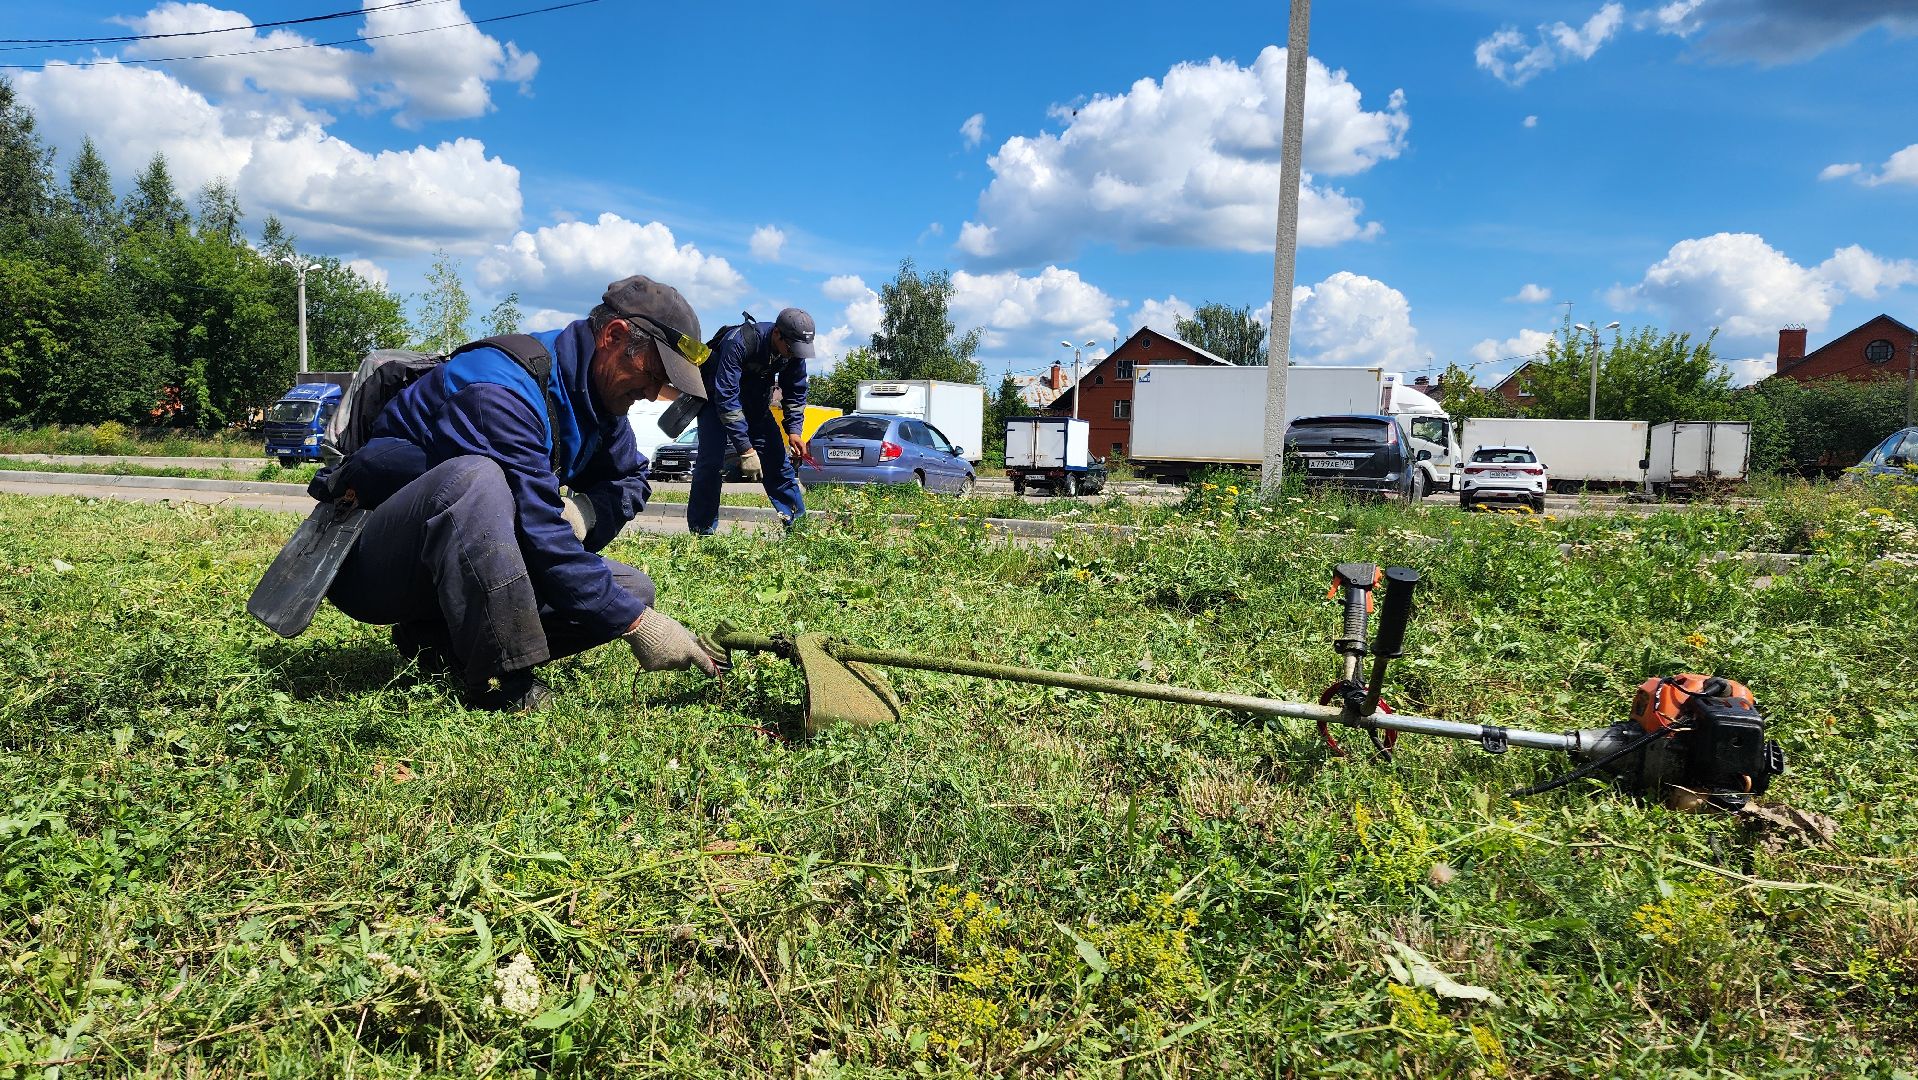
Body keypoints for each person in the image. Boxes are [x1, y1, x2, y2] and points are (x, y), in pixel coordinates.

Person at [314, 275, 725, 711]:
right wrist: (638, 625)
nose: (649, 395)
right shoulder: (498, 391)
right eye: (653, 376)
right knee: (476, 481)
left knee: (632, 588)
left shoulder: (594, 395)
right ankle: (498, 677)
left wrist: (583, 512)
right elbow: (539, 536)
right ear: (614, 335)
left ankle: (438, 645)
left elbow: (630, 479)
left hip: (455, 565)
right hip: (374, 564)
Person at [687, 307, 815, 534]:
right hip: (716, 403)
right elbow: (726, 397)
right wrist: (745, 449)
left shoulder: (793, 352)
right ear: (777, 333)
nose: (794, 354)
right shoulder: (739, 342)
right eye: (791, 348)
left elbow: (795, 392)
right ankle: (701, 531)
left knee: (778, 463)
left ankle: (799, 530)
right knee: (711, 464)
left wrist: (794, 430)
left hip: (756, 405)